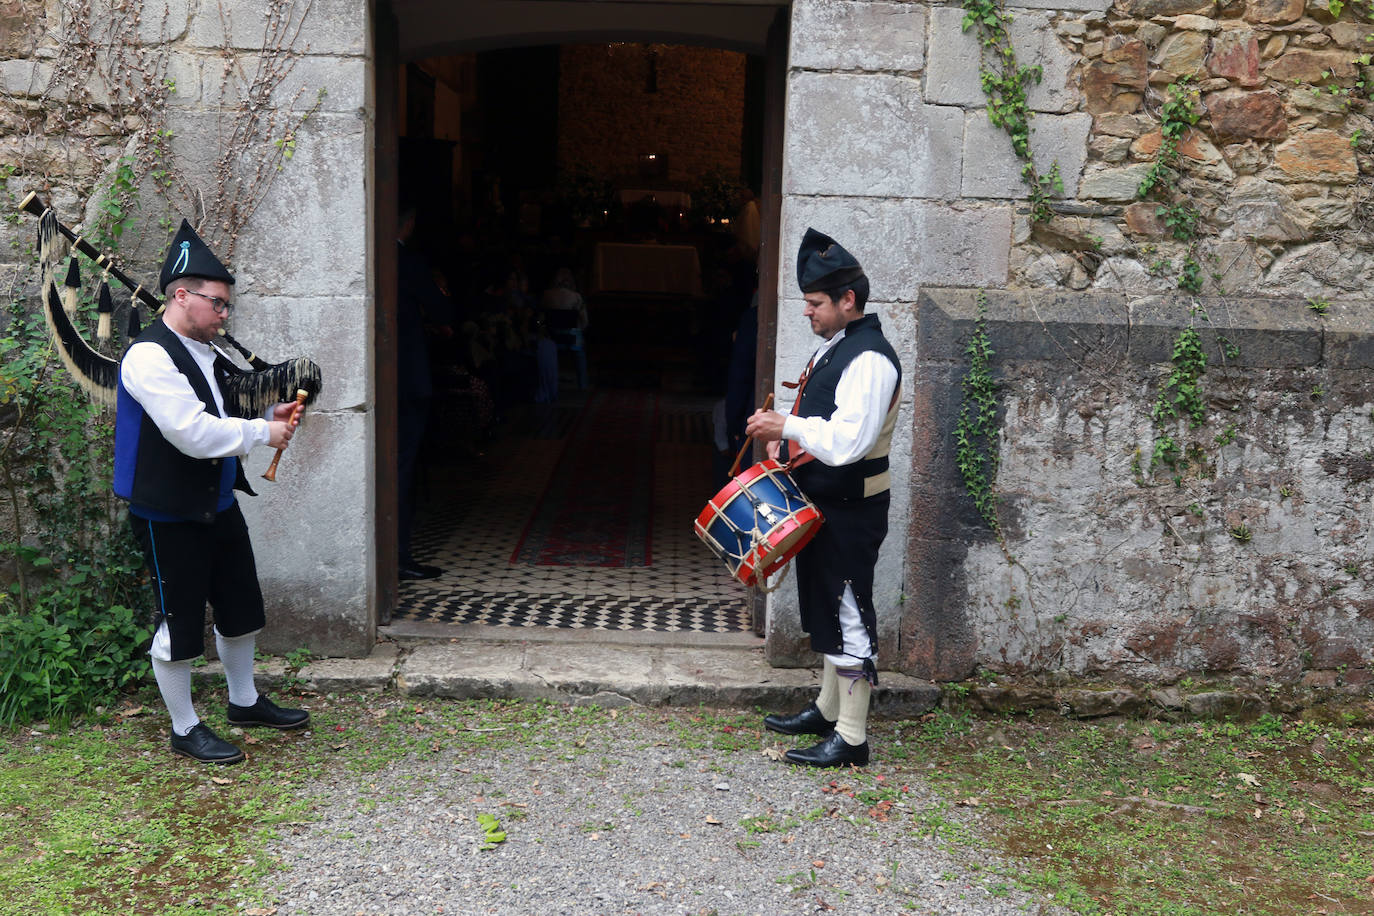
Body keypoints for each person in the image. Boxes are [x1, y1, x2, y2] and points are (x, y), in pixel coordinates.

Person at [114, 220, 310, 765]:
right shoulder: (149, 356)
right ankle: (184, 726)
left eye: (227, 306)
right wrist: (260, 433)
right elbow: (193, 432)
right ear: (182, 295)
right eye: (218, 304)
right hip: (168, 510)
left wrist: (266, 414)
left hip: (218, 502)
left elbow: (224, 412)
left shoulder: (207, 350)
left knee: (240, 606)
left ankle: (243, 701)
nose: (225, 315)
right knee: (177, 623)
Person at [744, 228, 901, 769]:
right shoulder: (838, 346)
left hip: (851, 507)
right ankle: (828, 708)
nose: (808, 313)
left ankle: (852, 738)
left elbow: (850, 442)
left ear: (847, 301)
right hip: (826, 502)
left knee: (849, 611)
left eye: (815, 304)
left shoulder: (870, 359)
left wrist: (788, 423)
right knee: (829, 606)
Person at [396, 205, 455, 580]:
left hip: (390, 379)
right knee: (402, 469)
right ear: (410, 220)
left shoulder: (379, 258)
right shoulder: (407, 261)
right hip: (408, 380)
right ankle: (398, 556)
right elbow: (443, 311)